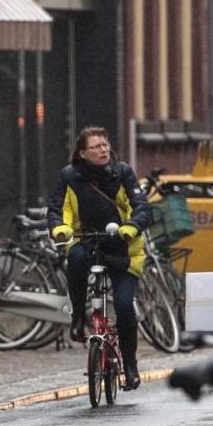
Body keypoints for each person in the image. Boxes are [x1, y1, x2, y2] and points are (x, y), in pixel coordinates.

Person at [48, 128, 152, 392]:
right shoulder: (69, 176)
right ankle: (78, 320)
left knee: (124, 305)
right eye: (96, 147)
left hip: (122, 248)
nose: (103, 150)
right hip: (88, 240)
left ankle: (130, 365)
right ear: (82, 153)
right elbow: (58, 210)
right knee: (77, 259)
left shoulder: (123, 173)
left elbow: (140, 205)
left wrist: (130, 227)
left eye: (105, 145)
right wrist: (60, 228)